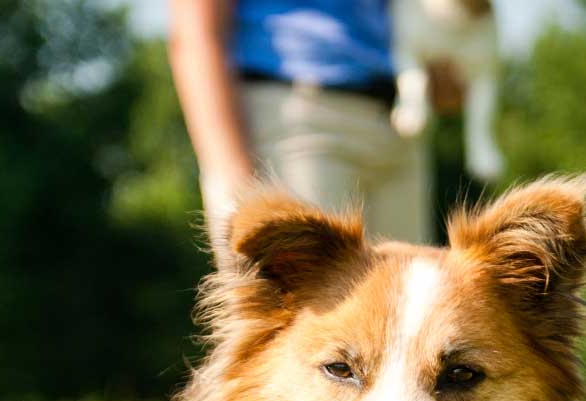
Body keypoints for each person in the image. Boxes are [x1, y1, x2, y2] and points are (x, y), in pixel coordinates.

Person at [168, 0, 437, 245]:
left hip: (399, 121)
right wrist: (235, 182)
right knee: (303, 293)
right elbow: (196, 33)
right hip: (293, 116)